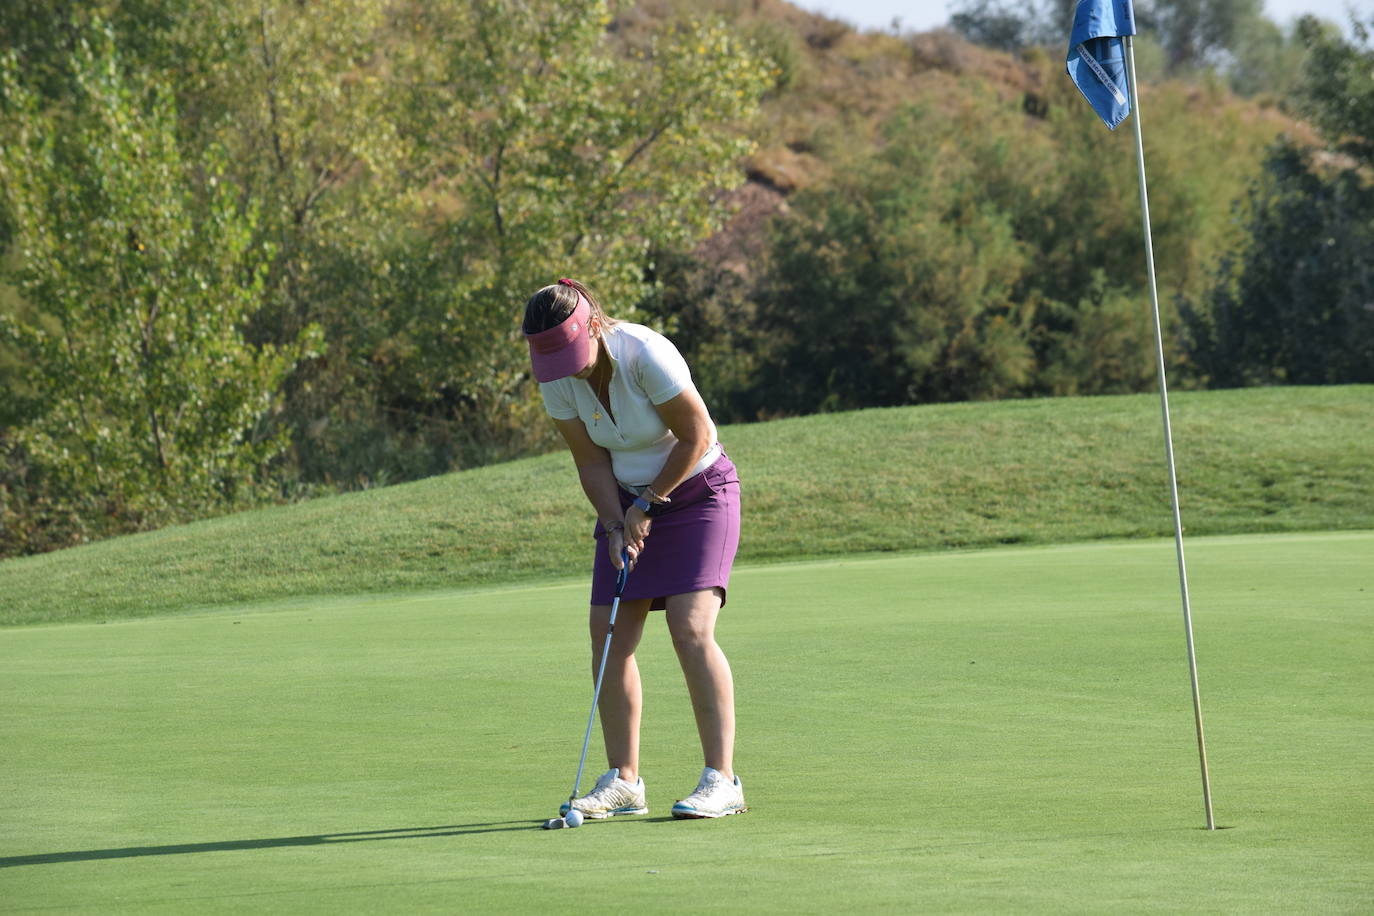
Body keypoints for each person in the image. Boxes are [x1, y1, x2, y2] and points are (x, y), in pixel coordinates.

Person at [523, 277, 746, 820]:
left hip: (698, 493)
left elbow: (696, 434)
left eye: (575, 354)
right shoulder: (557, 379)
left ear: (594, 325)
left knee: (690, 630)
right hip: (624, 504)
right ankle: (625, 781)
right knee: (608, 637)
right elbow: (590, 461)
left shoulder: (645, 353)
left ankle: (722, 780)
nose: (570, 369)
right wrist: (615, 520)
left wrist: (649, 501)